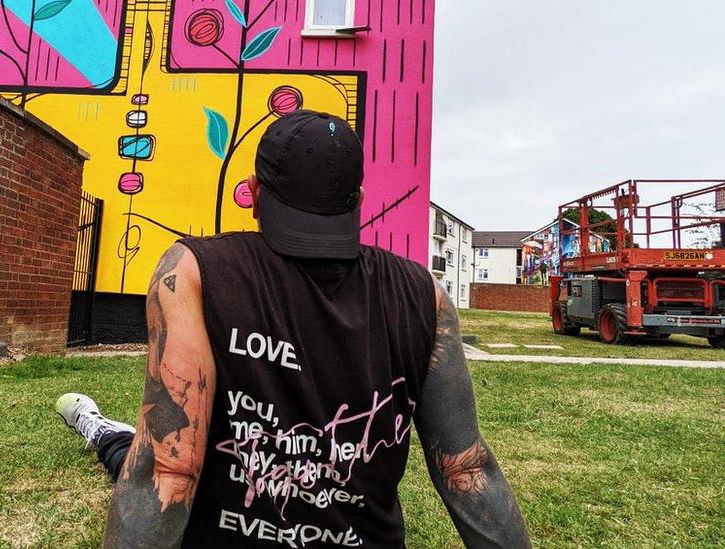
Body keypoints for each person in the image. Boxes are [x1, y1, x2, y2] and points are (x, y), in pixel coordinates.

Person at [56, 110, 530, 548]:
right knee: (127, 454)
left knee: (133, 457)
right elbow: (466, 468)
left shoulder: (189, 273)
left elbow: (168, 470)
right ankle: (99, 429)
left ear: (255, 193)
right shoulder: (426, 296)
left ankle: (102, 430)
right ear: (358, 203)